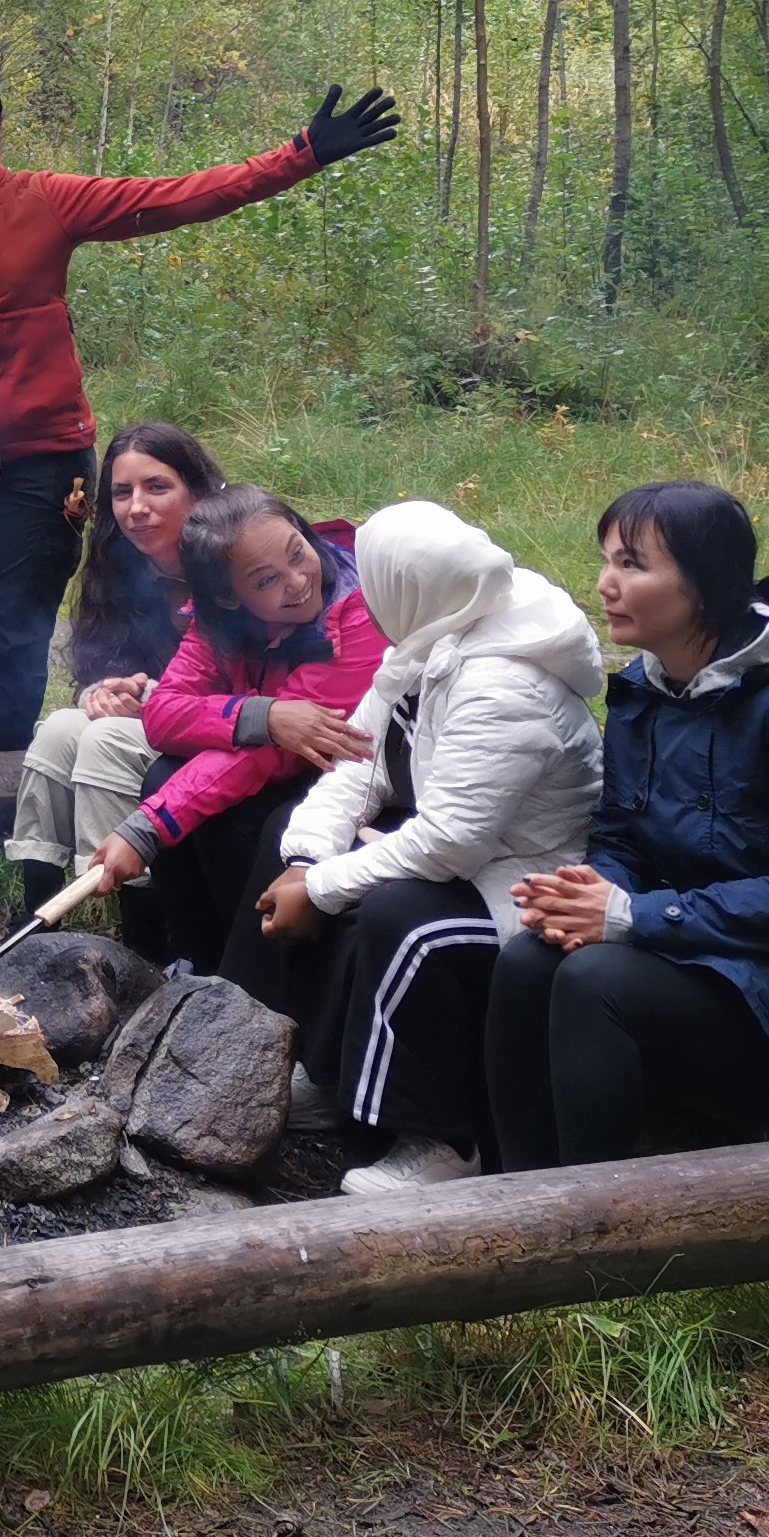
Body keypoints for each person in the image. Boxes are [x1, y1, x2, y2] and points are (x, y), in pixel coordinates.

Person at [0, 55, 399, 758]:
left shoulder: (46, 198)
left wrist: (298, 157)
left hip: (48, 461)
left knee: (17, 636)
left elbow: (178, 195)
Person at [489, 483, 769, 1171]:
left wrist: (633, 915)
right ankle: (510, 1193)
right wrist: (593, 892)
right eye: (607, 559)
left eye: (632, 564)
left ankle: (595, 1228)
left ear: (703, 586)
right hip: (713, 954)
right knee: (529, 957)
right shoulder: (646, 688)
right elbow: (620, 832)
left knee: (594, 978)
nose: (605, 583)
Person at [228, 501, 601, 1195]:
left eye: (370, 583)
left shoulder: (504, 684)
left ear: (411, 586)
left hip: (518, 888)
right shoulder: (434, 637)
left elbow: (452, 844)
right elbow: (354, 763)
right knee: (298, 841)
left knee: (401, 920)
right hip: (465, 863)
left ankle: (442, 1140)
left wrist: (320, 886)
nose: (360, 598)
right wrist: (306, 861)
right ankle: (328, 1074)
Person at [87, 485, 382, 975]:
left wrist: (146, 829)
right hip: (278, 757)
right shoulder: (217, 624)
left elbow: (268, 756)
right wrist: (262, 715)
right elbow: (163, 715)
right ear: (228, 597)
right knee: (164, 776)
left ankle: (253, 979)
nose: (298, 581)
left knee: (252, 822)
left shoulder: (357, 612)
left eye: (297, 553)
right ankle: (198, 963)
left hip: (357, 773)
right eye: (267, 580)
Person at [9, 421, 224, 906]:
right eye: (122, 493)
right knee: (61, 730)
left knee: (105, 739)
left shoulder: (230, 561)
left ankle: (135, 922)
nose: (136, 508)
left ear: (197, 492)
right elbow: (99, 667)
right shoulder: (120, 567)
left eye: (157, 487)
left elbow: (244, 684)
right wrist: (101, 692)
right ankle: (39, 914)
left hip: (221, 732)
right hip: (157, 724)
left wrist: (150, 701)